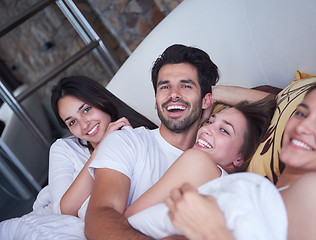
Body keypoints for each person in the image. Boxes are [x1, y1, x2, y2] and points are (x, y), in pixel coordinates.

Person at [130, 74, 316, 239]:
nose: (303, 127)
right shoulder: (261, 187)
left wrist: (213, 232)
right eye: (301, 113)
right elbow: (276, 104)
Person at [84, 44, 270, 239]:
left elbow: (280, 104)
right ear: (156, 101)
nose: (173, 94)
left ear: (207, 100)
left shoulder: (210, 164)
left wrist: (216, 92)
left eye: (186, 85)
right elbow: (101, 215)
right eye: (165, 87)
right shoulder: (127, 141)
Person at [0, 75, 157, 238]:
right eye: (72, 122)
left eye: (86, 110)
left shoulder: (137, 135)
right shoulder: (64, 148)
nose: (84, 125)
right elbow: (64, 211)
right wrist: (101, 149)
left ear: (101, 101)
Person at [124, 96, 276, 217]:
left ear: (240, 158)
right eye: (210, 121)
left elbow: (128, 222)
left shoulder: (197, 162)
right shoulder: (225, 187)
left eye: (224, 130)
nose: (206, 129)